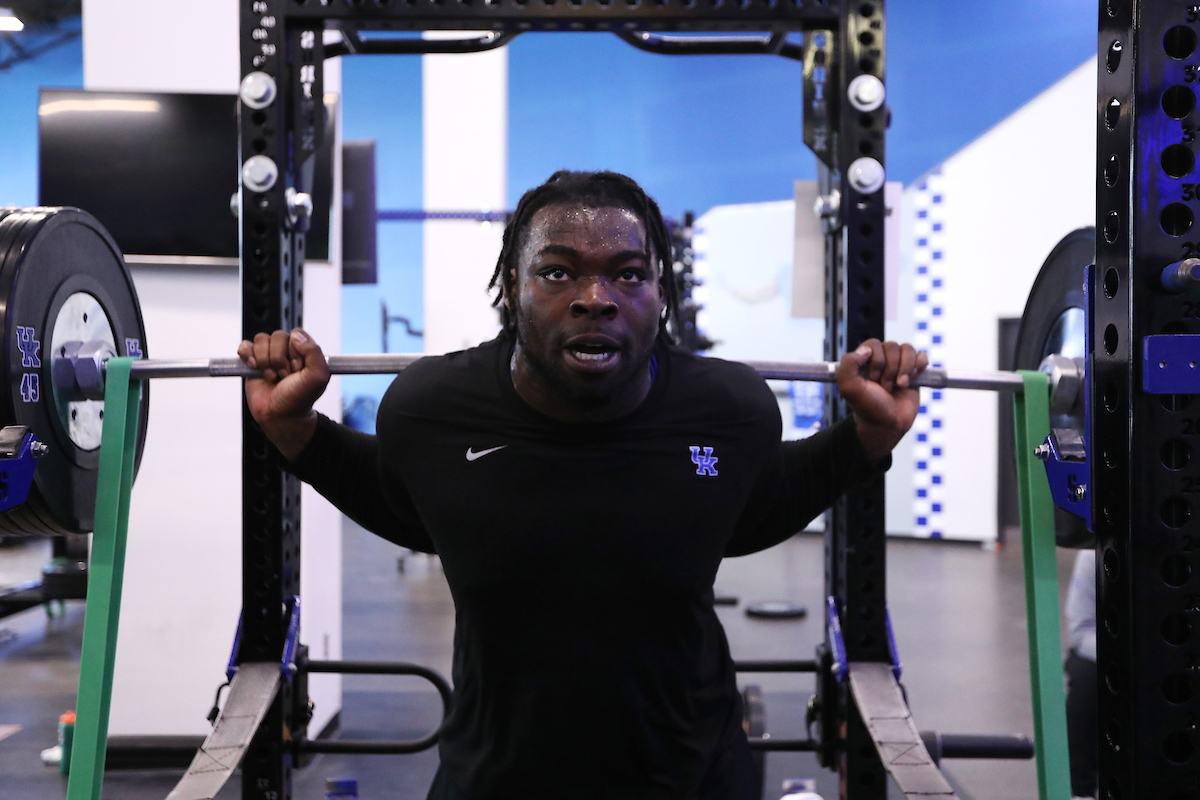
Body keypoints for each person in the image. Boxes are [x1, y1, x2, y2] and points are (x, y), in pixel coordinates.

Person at [238, 170, 928, 800]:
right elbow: (396, 498)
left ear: (663, 293)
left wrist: (870, 434)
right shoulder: (432, 410)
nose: (594, 300)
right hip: (498, 780)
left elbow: (759, 505)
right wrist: (292, 423)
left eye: (628, 275)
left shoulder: (729, 410)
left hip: (691, 778)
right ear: (511, 286)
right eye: (558, 273)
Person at [1064, 549, 1097, 799]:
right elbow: (1081, 630)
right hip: (1113, 654)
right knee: (1086, 681)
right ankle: (1081, 790)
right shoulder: (1092, 554)